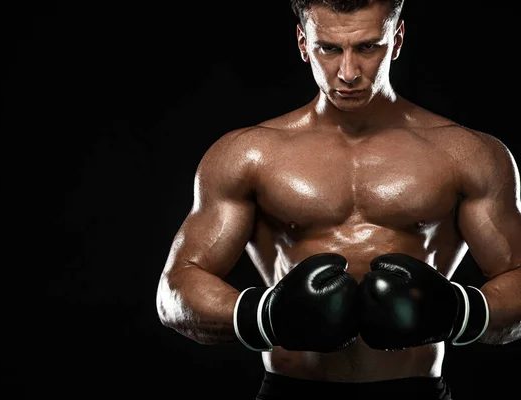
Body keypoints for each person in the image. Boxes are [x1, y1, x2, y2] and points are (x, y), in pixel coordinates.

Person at [155, 0, 521, 399]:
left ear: (396, 40)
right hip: (290, 391)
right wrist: (266, 316)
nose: (348, 73)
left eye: (368, 47)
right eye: (328, 48)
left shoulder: (466, 155)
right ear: (302, 42)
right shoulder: (248, 156)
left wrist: (459, 311)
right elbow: (176, 289)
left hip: (416, 390)